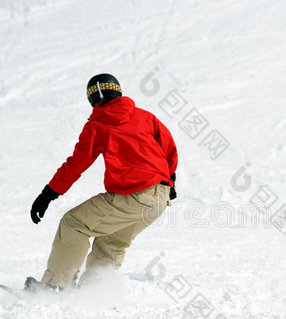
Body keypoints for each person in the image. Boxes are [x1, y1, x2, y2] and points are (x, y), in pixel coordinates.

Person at [28, 73, 178, 291]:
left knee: (74, 224)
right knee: (111, 241)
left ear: (93, 100)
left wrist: (48, 194)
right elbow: (169, 149)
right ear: (118, 91)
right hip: (159, 199)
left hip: (133, 196)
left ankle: (53, 287)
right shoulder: (145, 117)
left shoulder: (97, 125)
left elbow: (76, 164)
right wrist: (169, 182)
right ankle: (94, 292)